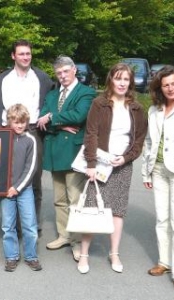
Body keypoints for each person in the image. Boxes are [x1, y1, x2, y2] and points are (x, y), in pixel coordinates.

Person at [78, 63, 147, 274]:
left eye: (126, 79)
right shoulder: (100, 103)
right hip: (99, 163)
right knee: (91, 208)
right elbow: (91, 134)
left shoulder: (137, 108)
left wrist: (126, 158)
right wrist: (90, 164)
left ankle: (114, 252)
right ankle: (84, 254)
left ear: (130, 82)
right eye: (118, 78)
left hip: (122, 167)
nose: (122, 83)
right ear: (111, 80)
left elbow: (139, 140)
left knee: (117, 210)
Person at [37, 55, 96, 259]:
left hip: (73, 152)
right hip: (54, 152)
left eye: (65, 71)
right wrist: (60, 124)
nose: (62, 76)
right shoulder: (52, 95)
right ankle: (64, 235)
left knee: (74, 199)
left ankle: (78, 241)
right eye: (58, 73)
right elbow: (41, 120)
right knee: (59, 200)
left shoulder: (86, 92)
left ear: (74, 71)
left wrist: (53, 117)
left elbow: (78, 116)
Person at [0, 39, 53, 231]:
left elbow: (52, 101)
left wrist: (50, 114)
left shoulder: (41, 78)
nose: (26, 57)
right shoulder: (2, 80)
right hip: (6, 132)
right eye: (21, 54)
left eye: (28, 53)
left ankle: (31, 225)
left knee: (33, 179)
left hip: (33, 130)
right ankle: (11, 224)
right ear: (13, 56)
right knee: (7, 178)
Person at [142, 65, 174, 281]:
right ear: (159, 88)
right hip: (159, 169)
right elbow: (148, 142)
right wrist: (146, 172)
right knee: (162, 218)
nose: (170, 88)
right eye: (166, 85)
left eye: (173, 84)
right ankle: (164, 261)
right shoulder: (154, 110)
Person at [2, 103, 41, 272]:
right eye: (16, 122)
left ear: (27, 122)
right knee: (7, 226)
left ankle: (31, 256)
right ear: (9, 121)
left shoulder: (30, 140)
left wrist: (17, 188)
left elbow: (31, 168)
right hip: (5, 190)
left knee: (29, 224)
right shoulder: (3, 137)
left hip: (24, 190)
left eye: (22, 122)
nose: (19, 125)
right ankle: (11, 257)